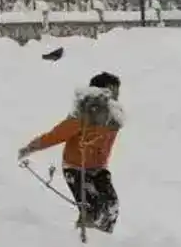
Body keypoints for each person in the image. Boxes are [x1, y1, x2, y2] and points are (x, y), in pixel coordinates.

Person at [18, 72, 123, 233]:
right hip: (75, 168)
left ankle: (104, 241)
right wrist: (30, 148)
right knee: (91, 208)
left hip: (99, 168)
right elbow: (55, 136)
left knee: (111, 205)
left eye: (116, 92)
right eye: (110, 92)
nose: (114, 97)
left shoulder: (114, 117)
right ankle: (83, 242)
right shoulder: (83, 116)